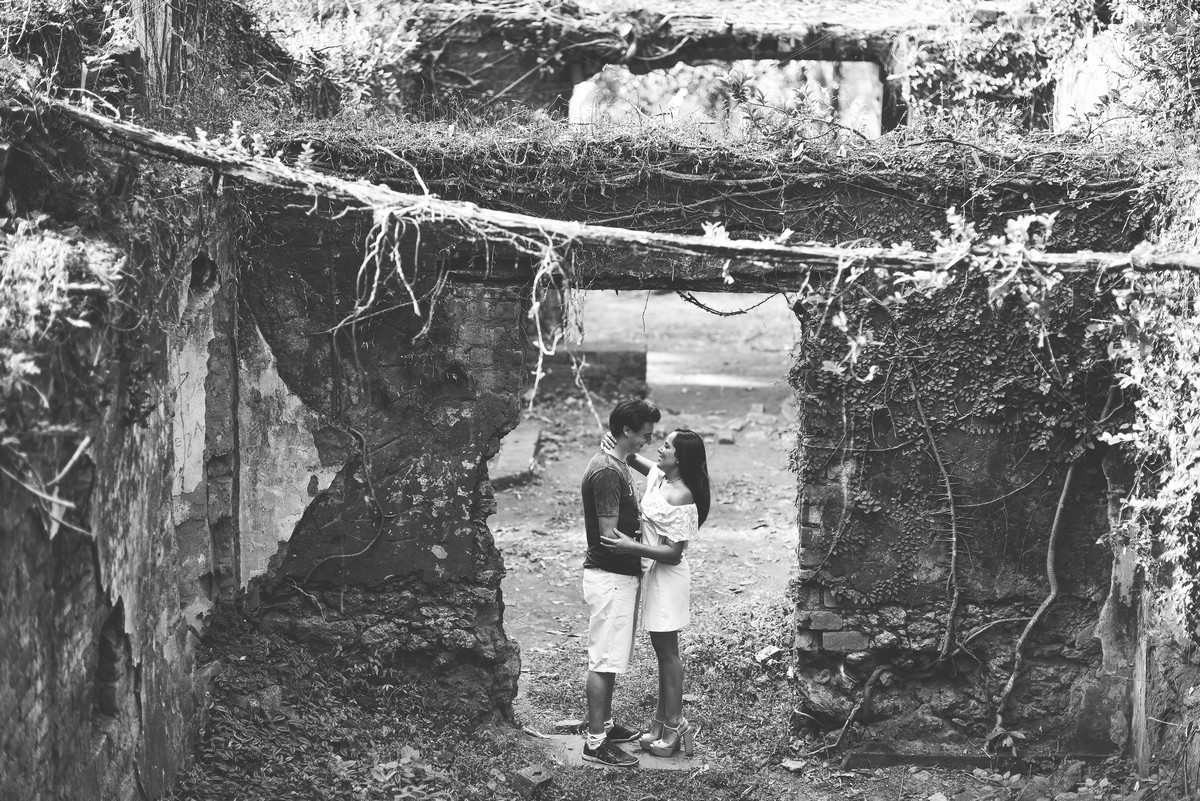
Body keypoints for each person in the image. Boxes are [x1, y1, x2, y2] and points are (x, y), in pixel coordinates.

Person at [601, 427, 710, 759]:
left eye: (667, 446)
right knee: (663, 653)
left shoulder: (682, 495)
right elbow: (634, 459)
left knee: (668, 654)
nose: (660, 449)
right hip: (653, 575)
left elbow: (674, 553)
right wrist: (616, 444)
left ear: (681, 458)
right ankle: (661, 723)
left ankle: (676, 724)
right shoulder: (660, 476)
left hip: (668, 578)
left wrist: (630, 546)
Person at [579, 397, 661, 767]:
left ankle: (606, 726)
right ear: (627, 430)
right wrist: (653, 546)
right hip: (609, 576)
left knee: (611, 657)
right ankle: (595, 743)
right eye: (645, 434)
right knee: (603, 659)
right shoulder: (607, 472)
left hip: (620, 576)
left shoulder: (617, 462)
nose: (650, 440)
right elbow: (610, 535)